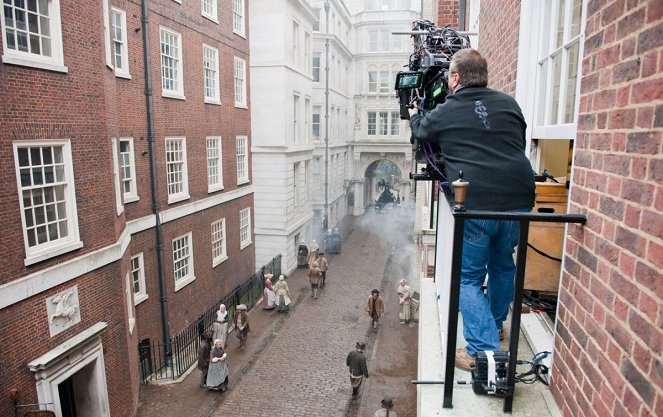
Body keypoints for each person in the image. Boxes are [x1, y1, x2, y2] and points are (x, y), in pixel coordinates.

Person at [408, 48, 535, 371]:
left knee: (468, 279)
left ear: (455, 78)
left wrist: (413, 112)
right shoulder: (509, 104)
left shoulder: (449, 109)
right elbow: (516, 142)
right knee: (504, 266)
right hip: (519, 199)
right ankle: (494, 326)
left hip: (477, 202)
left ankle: (482, 351)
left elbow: (422, 131)